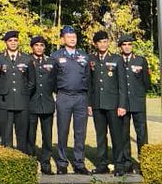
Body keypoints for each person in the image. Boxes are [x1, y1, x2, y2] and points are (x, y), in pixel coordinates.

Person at [51, 25, 91, 175]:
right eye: (69, 36)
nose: (72, 38)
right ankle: (62, 163)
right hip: (64, 97)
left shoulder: (84, 56)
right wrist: (59, 92)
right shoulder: (55, 56)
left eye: (74, 36)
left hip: (81, 97)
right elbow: (52, 78)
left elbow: (88, 78)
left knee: (80, 132)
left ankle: (79, 163)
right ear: (63, 39)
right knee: (63, 130)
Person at [89, 30, 127, 175]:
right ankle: (102, 164)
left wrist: (122, 105)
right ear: (96, 44)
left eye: (105, 42)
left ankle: (119, 165)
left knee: (117, 136)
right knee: (100, 136)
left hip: (113, 104)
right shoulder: (91, 59)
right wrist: (89, 104)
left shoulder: (117, 59)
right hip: (98, 104)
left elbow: (122, 85)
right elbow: (90, 84)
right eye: (100, 42)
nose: (103, 44)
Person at [0, 30, 34, 153]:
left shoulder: (27, 59)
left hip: (22, 102)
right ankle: (7, 162)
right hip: (4, 101)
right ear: (6, 42)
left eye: (15, 40)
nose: (13, 43)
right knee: (6, 136)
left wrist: (24, 93)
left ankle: (21, 160)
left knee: (22, 135)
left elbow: (31, 81)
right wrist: (0, 92)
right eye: (10, 41)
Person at [118, 33, 150, 173]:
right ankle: (127, 163)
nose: (127, 47)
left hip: (137, 103)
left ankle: (144, 162)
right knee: (124, 134)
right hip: (123, 104)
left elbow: (146, 82)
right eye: (124, 44)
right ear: (120, 47)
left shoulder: (141, 61)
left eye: (129, 44)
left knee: (141, 133)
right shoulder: (117, 61)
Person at [28, 34, 56, 173]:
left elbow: (55, 81)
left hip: (47, 103)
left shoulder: (51, 61)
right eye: (36, 45)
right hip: (31, 104)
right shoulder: (27, 60)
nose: (39, 48)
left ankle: (46, 163)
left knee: (47, 136)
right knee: (30, 136)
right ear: (32, 47)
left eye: (42, 45)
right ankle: (31, 162)